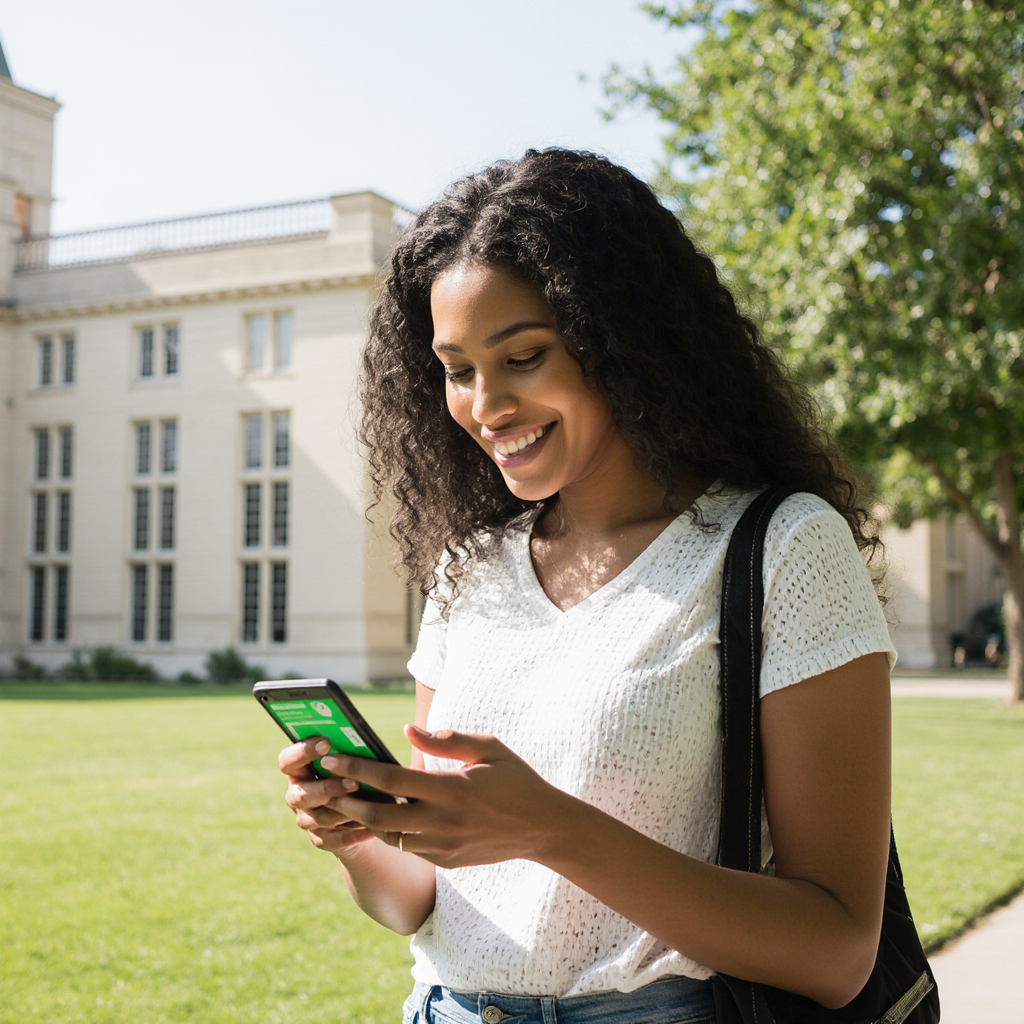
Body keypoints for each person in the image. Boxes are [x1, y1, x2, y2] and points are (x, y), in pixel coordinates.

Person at [279, 149, 896, 1024]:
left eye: (523, 356)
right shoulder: (470, 570)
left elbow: (836, 953)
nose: (485, 405)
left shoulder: (781, 547)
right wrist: (362, 835)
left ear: (624, 342)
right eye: (457, 370)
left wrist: (548, 829)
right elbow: (416, 902)